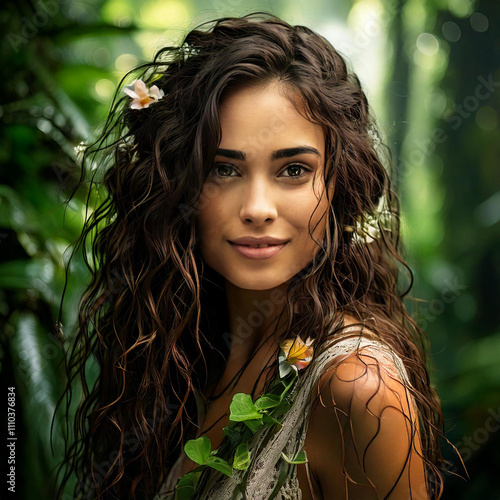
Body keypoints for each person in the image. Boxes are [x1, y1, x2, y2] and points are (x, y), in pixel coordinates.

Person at [53, 12, 449, 500]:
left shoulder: (356, 387)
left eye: (293, 170)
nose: (258, 209)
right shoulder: (185, 351)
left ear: (337, 187)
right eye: (223, 169)